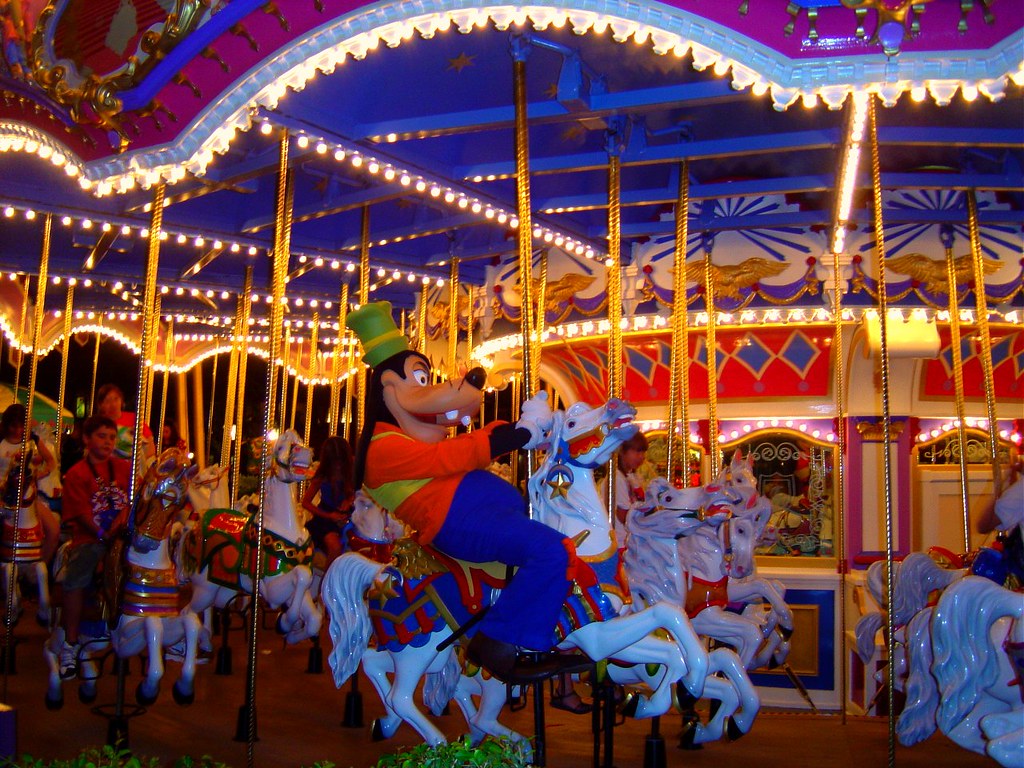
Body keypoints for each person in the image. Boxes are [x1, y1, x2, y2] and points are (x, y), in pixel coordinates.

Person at [347, 301, 590, 683]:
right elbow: (452, 456)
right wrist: (517, 433)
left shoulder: (406, 442)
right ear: (389, 390)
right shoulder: (384, 448)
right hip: (458, 525)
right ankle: (503, 641)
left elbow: (460, 450)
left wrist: (522, 432)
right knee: (552, 550)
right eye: (420, 379)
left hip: (484, 517)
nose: (431, 389)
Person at [57, 414, 131, 679]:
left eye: (112, 437)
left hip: (123, 539)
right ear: (87, 440)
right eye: (101, 436)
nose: (108, 442)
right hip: (92, 539)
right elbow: (80, 514)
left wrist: (124, 521)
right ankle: (70, 642)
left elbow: (135, 501)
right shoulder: (77, 474)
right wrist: (103, 534)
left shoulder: (125, 469)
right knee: (77, 574)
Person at [0, 404, 60, 564]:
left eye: (21, 426)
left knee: (53, 530)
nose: (18, 430)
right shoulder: (1, 442)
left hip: (27, 495)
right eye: (14, 425)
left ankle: (38, 569)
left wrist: (39, 474)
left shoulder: (33, 441)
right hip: (3, 495)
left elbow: (51, 461)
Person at [301, 436, 355, 566]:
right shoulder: (322, 476)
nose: (337, 466)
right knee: (335, 546)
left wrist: (350, 499)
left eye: (340, 461)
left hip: (350, 514)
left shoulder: (352, 470)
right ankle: (327, 582)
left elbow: (361, 491)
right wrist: (329, 516)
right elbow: (306, 502)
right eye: (334, 462)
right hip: (326, 517)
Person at [93, 384, 155, 470]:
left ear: (121, 401)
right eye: (107, 401)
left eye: (116, 399)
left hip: (134, 467)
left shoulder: (135, 419)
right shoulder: (99, 424)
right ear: (101, 405)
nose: (113, 404)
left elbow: (149, 445)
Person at [611, 431, 649, 549]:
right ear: (623, 452)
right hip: (621, 542)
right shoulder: (616, 478)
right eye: (637, 451)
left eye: (643, 452)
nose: (641, 457)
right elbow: (624, 516)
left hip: (632, 539)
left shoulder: (632, 477)